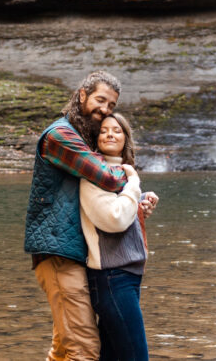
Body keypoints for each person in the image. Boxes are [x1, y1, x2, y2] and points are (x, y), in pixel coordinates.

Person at [24, 70, 129, 361]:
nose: (105, 110)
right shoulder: (60, 136)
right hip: (58, 254)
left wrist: (140, 200)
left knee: (62, 350)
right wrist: (132, 181)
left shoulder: (79, 137)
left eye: (111, 106)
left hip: (68, 252)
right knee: (83, 351)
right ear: (82, 95)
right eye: (100, 100)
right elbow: (106, 178)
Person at [80, 112, 158, 361]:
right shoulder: (94, 173)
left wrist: (141, 204)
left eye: (116, 130)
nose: (110, 134)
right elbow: (114, 220)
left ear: (126, 137)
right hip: (112, 277)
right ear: (95, 138)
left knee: (112, 356)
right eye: (103, 130)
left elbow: (124, 211)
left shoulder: (121, 172)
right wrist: (134, 184)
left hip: (129, 275)